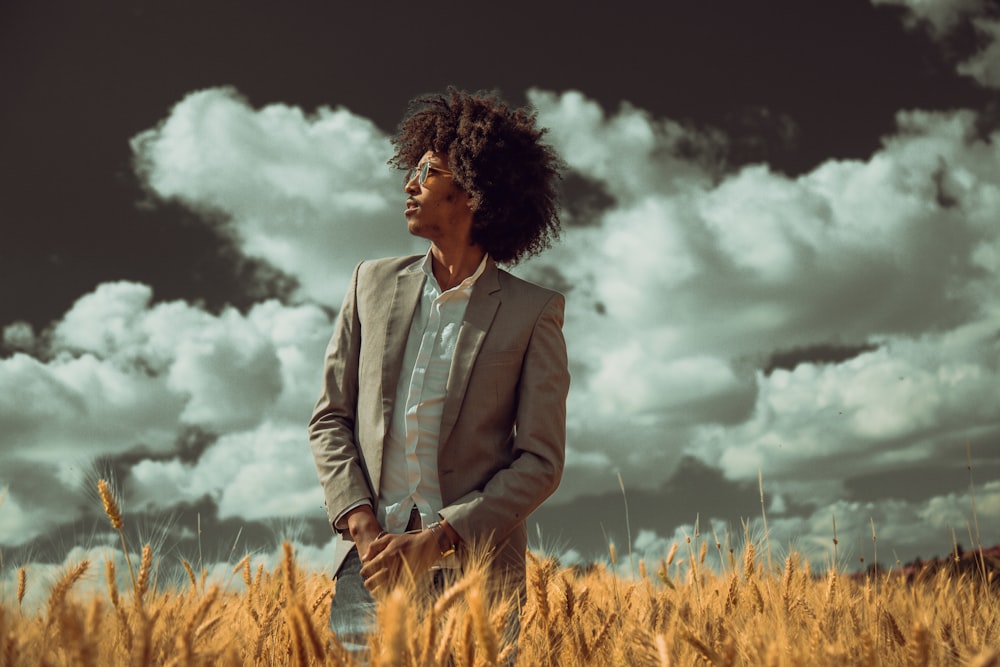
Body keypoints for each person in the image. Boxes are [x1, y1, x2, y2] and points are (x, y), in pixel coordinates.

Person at [308, 88, 570, 652]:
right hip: (369, 568)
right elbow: (330, 419)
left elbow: (541, 461)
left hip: (480, 574)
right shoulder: (368, 284)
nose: (409, 184)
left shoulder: (534, 312)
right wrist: (364, 530)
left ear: (473, 189)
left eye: (427, 172)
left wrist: (441, 537)